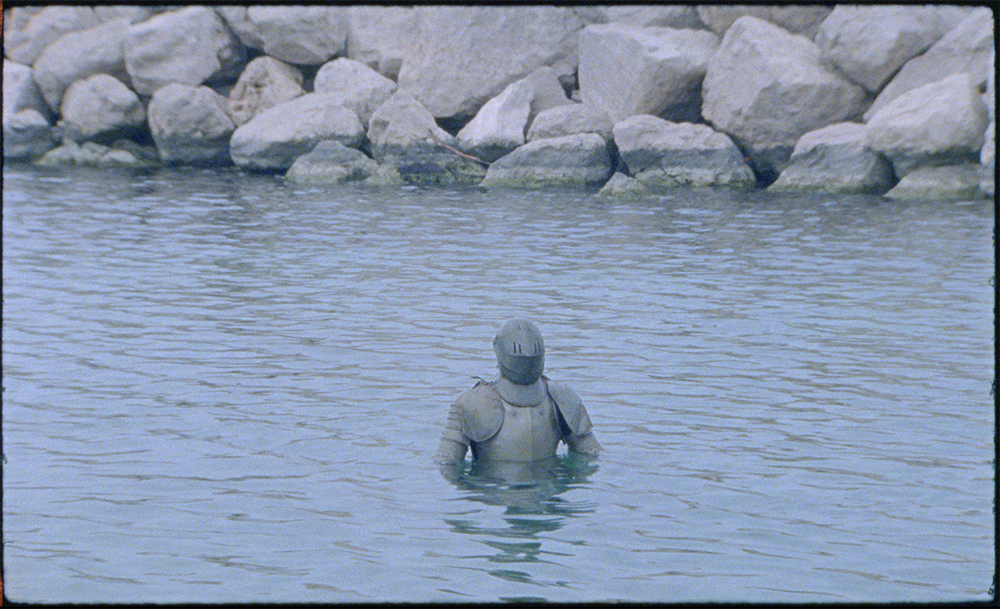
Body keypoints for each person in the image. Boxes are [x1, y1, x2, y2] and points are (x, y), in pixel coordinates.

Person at [435, 318, 601, 465]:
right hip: (548, 488)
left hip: (492, 488)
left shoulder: (471, 402)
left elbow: (447, 462)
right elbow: (590, 454)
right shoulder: (562, 398)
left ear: (499, 351)